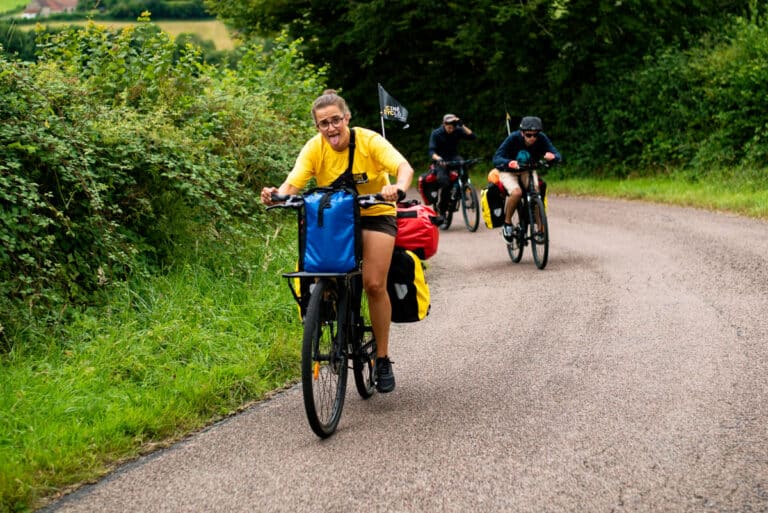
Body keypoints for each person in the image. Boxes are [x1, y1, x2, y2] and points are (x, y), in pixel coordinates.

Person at [261, 89, 414, 393]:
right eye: (324, 123)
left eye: (335, 120)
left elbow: (404, 168)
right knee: (322, 272)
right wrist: (276, 195)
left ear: (347, 118)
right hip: (336, 218)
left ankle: (382, 358)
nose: (331, 128)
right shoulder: (314, 148)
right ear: (317, 126)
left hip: (375, 212)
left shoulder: (369, 141)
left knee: (373, 284)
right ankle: (333, 316)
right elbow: (293, 183)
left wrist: (396, 188)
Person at [492, 116, 561, 242]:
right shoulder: (513, 138)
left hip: (527, 170)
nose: (532, 138)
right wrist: (509, 163)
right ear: (522, 133)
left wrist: (553, 157)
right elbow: (496, 158)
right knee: (516, 193)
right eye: (529, 135)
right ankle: (507, 224)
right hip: (508, 171)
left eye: (535, 135)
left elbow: (557, 154)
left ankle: (540, 230)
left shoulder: (542, 138)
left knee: (536, 192)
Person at [426, 113, 477, 224]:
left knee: (463, 164)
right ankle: (442, 210)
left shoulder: (457, 130)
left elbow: (473, 136)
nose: (451, 129)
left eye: (453, 127)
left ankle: (463, 188)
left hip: (453, 157)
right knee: (445, 183)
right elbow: (431, 151)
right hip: (440, 160)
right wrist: (439, 158)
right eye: (449, 127)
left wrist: (462, 125)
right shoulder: (436, 133)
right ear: (444, 124)